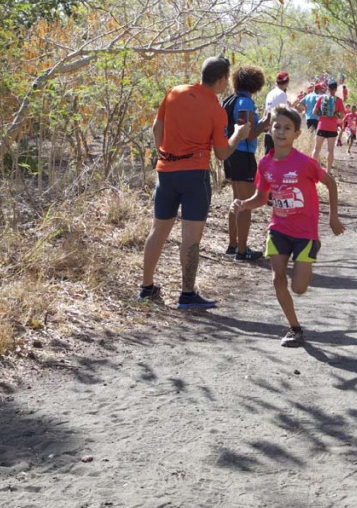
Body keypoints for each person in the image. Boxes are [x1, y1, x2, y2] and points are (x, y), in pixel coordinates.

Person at [140, 56, 252, 308]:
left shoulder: (174, 92)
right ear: (221, 79)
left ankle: (146, 288)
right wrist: (238, 134)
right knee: (190, 237)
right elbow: (222, 153)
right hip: (195, 175)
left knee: (158, 230)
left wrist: (163, 154)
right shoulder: (215, 109)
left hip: (166, 172)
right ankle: (187, 294)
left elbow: (157, 128)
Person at [231, 106, 345, 347]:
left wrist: (333, 217)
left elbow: (331, 184)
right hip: (278, 229)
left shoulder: (305, 163)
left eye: (287, 128)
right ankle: (294, 328)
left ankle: (312, 249)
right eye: (277, 127)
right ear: (269, 130)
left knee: (299, 288)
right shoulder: (265, 164)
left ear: (297, 134)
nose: (281, 132)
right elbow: (261, 197)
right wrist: (244, 204)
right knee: (278, 279)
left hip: (305, 233)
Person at [224, 65, 271, 261]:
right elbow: (249, 134)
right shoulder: (245, 103)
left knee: (236, 200)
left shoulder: (230, 100)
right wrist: (265, 123)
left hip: (230, 153)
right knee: (245, 204)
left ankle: (233, 245)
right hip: (243, 155)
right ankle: (242, 251)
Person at [311, 79, 346, 174]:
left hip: (321, 126)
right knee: (330, 151)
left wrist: (322, 114)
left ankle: (313, 171)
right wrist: (335, 114)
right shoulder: (339, 100)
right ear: (336, 89)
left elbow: (314, 112)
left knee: (316, 149)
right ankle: (328, 172)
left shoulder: (321, 98)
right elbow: (342, 116)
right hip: (332, 128)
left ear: (327, 88)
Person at [262, 71, 290, 153]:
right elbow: (283, 114)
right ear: (287, 82)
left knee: (268, 157)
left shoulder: (270, 93)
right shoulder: (282, 94)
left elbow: (266, 111)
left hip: (269, 132)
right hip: (277, 134)